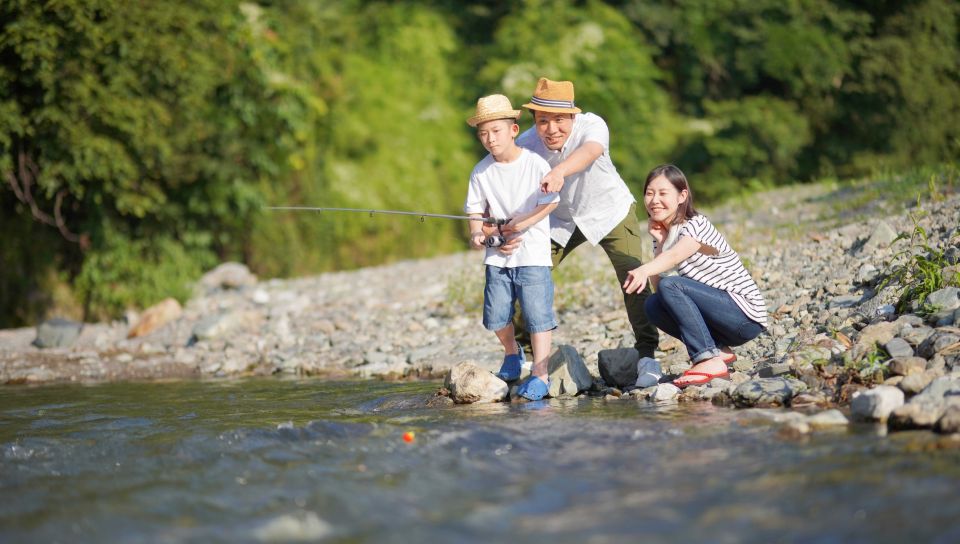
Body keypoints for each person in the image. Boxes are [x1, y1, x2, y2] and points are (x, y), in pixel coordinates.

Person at [507, 77, 660, 358]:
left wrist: (559, 171)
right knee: (526, 278)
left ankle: (647, 352)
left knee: (633, 277)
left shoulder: (592, 125)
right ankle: (525, 354)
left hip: (608, 212)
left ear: (572, 116)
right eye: (543, 121)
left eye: (559, 120)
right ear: (534, 121)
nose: (551, 129)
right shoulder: (526, 145)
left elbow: (591, 151)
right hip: (559, 221)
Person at [622, 164, 767, 387]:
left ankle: (707, 360)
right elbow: (661, 288)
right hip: (723, 318)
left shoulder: (696, 224)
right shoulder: (666, 234)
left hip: (745, 316)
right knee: (653, 304)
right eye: (649, 193)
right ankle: (718, 350)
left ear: (682, 196)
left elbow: (675, 257)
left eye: (662, 193)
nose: (654, 200)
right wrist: (660, 243)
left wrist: (643, 269)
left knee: (672, 286)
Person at [463, 94, 560, 401]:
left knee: (537, 316)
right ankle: (511, 352)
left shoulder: (535, 164)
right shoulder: (480, 171)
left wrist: (521, 224)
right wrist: (478, 234)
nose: (490, 139)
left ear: (513, 130)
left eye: (496, 131)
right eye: (483, 133)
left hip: (533, 255)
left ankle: (540, 374)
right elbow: (475, 212)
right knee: (495, 315)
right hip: (497, 258)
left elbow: (550, 202)